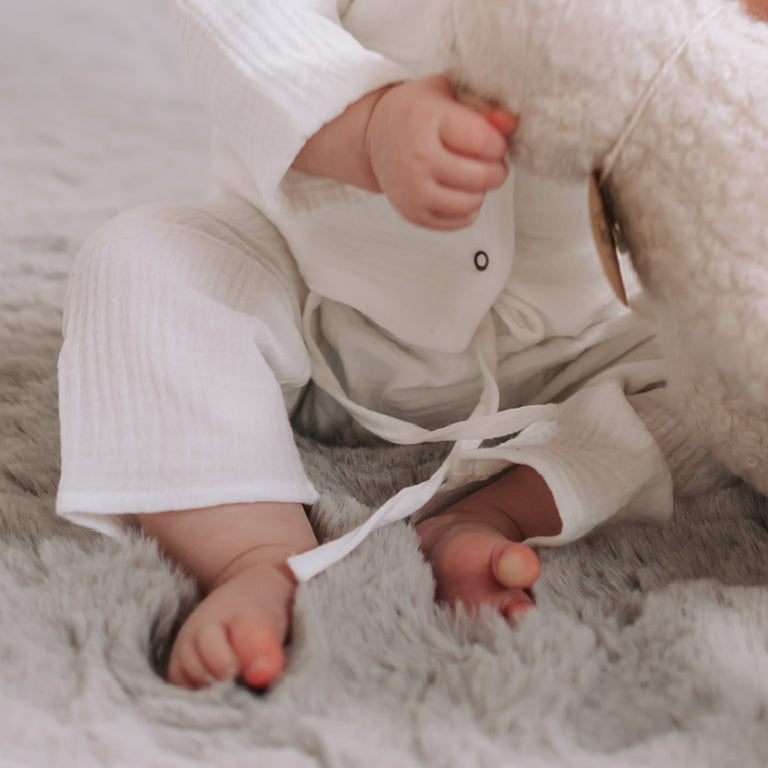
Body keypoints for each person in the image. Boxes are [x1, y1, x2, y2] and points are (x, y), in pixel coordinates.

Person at [57, 0, 759, 690]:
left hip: (574, 345)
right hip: (313, 299)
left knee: (721, 386)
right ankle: (253, 552)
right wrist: (366, 121)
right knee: (142, 262)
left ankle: (495, 509)